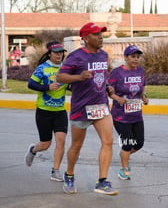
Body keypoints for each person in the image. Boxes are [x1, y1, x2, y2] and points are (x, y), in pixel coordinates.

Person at [56, 22, 118, 196]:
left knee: (108, 141)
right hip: (81, 107)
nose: (100, 37)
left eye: (101, 34)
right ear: (85, 38)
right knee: (76, 145)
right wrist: (79, 77)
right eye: (96, 34)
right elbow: (60, 76)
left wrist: (107, 86)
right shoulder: (76, 57)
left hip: (100, 105)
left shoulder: (103, 55)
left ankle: (102, 181)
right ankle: (69, 175)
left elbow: (100, 77)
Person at [24, 41, 68, 182]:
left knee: (61, 141)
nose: (59, 55)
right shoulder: (42, 68)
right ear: (49, 54)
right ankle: (33, 150)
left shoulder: (66, 69)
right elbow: (31, 84)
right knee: (46, 144)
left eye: (61, 52)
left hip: (60, 111)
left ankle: (55, 171)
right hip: (44, 111)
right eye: (56, 53)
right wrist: (47, 87)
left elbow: (71, 85)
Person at [108, 45, 149, 180]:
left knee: (139, 143)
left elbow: (142, 87)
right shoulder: (117, 72)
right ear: (125, 57)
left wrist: (144, 97)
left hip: (136, 114)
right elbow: (108, 90)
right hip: (121, 115)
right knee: (127, 143)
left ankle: (124, 155)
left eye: (138, 57)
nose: (136, 59)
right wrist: (117, 98)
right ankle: (124, 169)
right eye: (132, 56)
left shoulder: (140, 71)